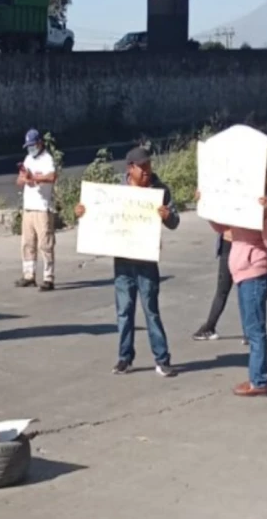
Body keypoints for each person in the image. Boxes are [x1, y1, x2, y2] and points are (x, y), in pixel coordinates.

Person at [75, 147, 179, 377]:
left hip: (146, 261)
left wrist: (167, 216)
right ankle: (125, 358)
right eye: (142, 168)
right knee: (124, 311)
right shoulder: (116, 191)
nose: (147, 172)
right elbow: (96, 214)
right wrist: (83, 212)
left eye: (149, 166)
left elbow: (175, 220)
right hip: (122, 260)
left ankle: (162, 359)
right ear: (130, 168)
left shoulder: (159, 190)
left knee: (151, 310)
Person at [201, 186, 267, 397]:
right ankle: (256, 377)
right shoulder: (242, 203)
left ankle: (259, 381)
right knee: (251, 328)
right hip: (242, 274)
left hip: (255, 272)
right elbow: (222, 227)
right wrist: (205, 206)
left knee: (255, 330)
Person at [15, 128, 57, 290]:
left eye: (33, 145)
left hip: (42, 208)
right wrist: (24, 178)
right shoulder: (28, 159)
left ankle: (48, 277)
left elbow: (52, 176)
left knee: (45, 244)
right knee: (27, 243)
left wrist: (36, 178)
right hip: (28, 207)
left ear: (40, 143)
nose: (30, 148)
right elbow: (19, 180)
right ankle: (29, 275)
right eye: (28, 146)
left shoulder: (47, 159)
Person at [192, 230, 248, 345]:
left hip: (231, 239)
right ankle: (249, 332)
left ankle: (210, 326)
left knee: (223, 290)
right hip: (246, 240)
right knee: (245, 288)